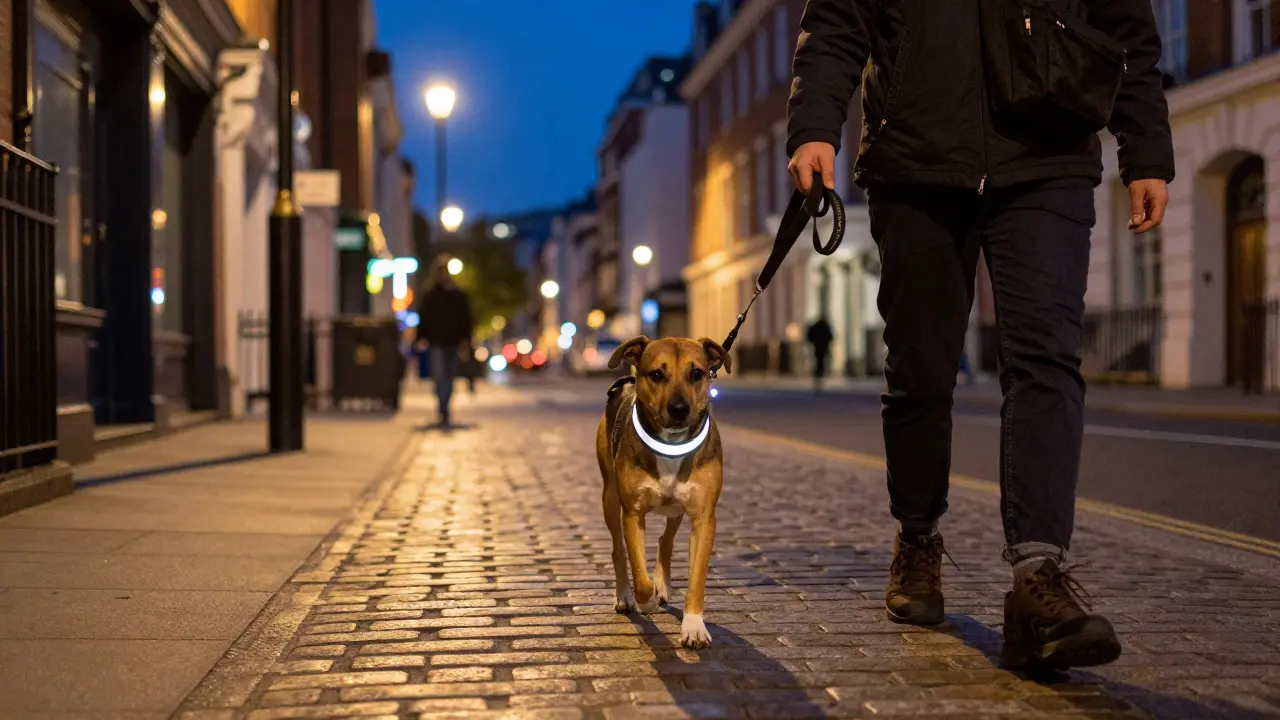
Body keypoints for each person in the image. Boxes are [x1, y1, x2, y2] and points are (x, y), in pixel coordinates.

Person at [787, 0, 1173, 669]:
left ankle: (1038, 574)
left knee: (1046, 356)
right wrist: (815, 123)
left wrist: (1146, 148)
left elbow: (1126, 27)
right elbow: (838, 20)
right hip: (916, 158)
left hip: (1048, 147)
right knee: (920, 369)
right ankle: (916, 537)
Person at [412, 256, 473, 427]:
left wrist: (465, 340)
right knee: (439, 375)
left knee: (449, 375)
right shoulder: (430, 295)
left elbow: (465, 319)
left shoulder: (457, 295)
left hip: (452, 342)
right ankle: (442, 407)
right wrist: (420, 338)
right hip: (436, 341)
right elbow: (424, 318)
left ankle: (446, 405)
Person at [806, 316, 834, 392]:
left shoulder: (816, 326)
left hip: (817, 346)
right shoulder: (825, 326)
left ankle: (819, 374)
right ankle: (820, 374)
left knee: (818, 361)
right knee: (821, 361)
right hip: (823, 346)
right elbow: (831, 336)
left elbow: (809, 336)